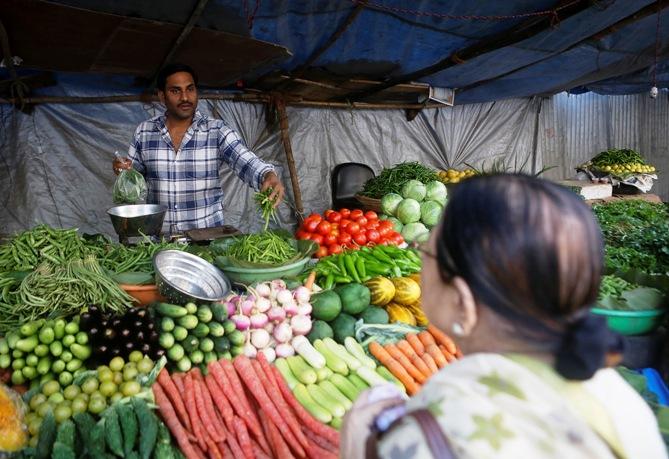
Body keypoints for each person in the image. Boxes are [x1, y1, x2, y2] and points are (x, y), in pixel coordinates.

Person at [341, 174, 667, 459]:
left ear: (463, 303)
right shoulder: (620, 398)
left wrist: (358, 444)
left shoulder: (439, 427)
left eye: (426, 251)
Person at [113, 63, 284, 232]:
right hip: (159, 240)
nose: (185, 97)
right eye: (175, 91)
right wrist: (122, 169)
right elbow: (133, 176)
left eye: (190, 89)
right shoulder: (145, 131)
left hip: (206, 241)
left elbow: (246, 161)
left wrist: (267, 175)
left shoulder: (216, 130)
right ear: (162, 96)